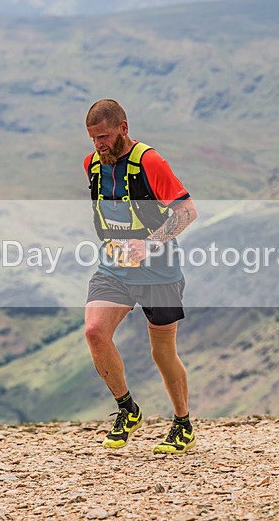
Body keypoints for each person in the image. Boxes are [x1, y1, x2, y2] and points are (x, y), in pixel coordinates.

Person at [82, 98, 199, 454]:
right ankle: (127, 409)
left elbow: (187, 211)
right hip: (113, 267)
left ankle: (183, 424)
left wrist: (150, 243)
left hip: (158, 270)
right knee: (94, 332)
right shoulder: (92, 165)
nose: (98, 145)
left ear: (123, 128)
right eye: (92, 138)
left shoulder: (150, 161)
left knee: (162, 352)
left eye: (104, 136)